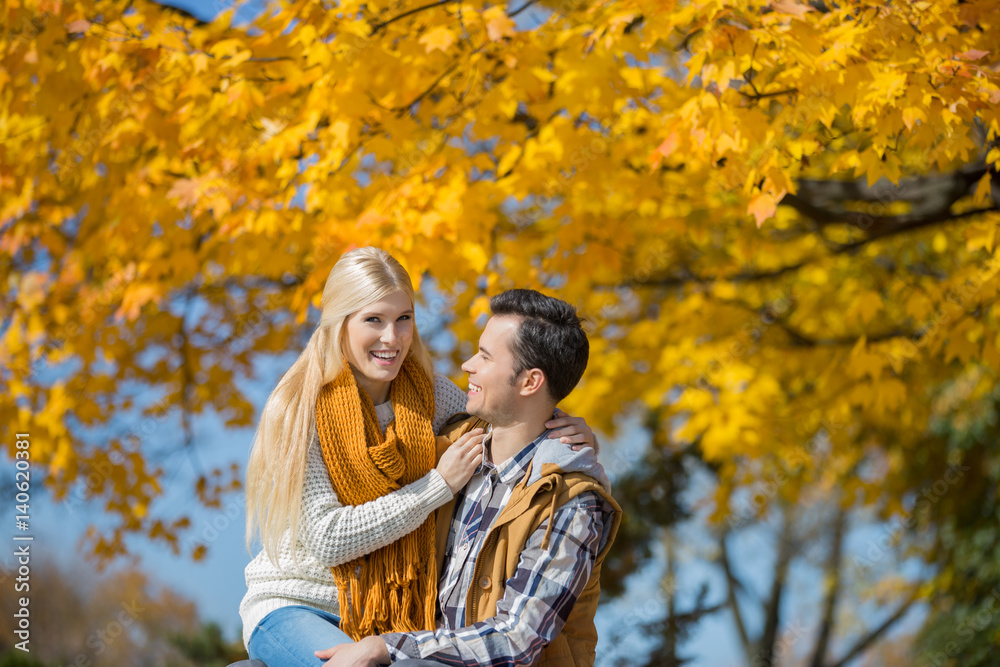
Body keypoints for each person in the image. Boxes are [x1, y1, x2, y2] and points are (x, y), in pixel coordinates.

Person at [239, 249, 596, 667]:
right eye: (373, 319)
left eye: (403, 318)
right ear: (341, 322)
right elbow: (329, 539)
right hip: (300, 603)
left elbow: (507, 415)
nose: (392, 338)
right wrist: (436, 488)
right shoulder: (298, 409)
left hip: (393, 617)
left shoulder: (431, 394)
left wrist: (566, 429)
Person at [314, 289, 622, 667]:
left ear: (530, 382)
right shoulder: (453, 446)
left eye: (485, 357)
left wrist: (385, 647)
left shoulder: (571, 503)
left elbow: (517, 639)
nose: (467, 365)